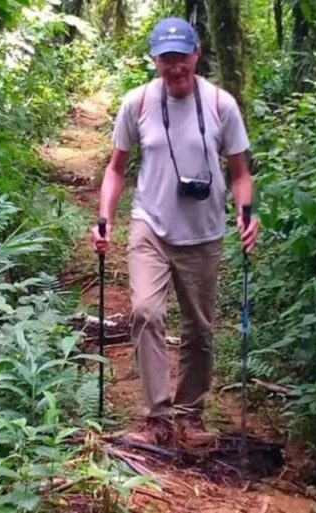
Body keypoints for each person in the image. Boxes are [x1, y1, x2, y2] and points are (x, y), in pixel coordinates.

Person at [91, 17, 259, 447]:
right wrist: (104, 218)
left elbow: (240, 173)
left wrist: (246, 212)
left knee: (199, 329)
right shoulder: (138, 103)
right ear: (155, 61)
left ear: (196, 55)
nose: (175, 68)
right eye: (166, 59)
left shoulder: (222, 105)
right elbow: (116, 169)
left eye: (182, 58)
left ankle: (189, 415)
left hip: (203, 233)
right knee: (146, 312)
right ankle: (156, 418)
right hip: (151, 225)